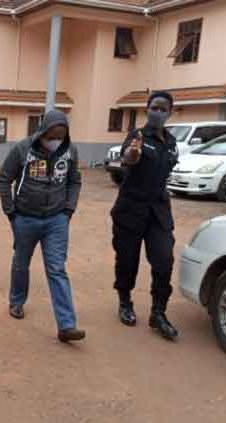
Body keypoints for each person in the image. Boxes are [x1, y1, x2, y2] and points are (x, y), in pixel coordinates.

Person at [0, 110, 85, 343]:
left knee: (57, 268)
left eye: (60, 137)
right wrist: (11, 212)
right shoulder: (22, 150)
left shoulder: (70, 151)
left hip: (57, 220)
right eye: (51, 136)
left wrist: (68, 210)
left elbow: (74, 181)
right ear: (42, 131)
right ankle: (16, 301)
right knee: (21, 263)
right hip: (25, 218)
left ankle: (66, 325)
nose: (55, 141)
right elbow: (4, 179)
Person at [111, 91, 179, 341]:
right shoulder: (137, 136)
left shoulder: (171, 142)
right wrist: (133, 154)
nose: (158, 112)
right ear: (147, 109)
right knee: (127, 260)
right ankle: (125, 302)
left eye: (163, 109)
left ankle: (158, 312)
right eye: (154, 108)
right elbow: (129, 158)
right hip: (131, 209)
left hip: (158, 212)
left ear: (169, 113)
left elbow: (168, 168)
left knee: (164, 260)